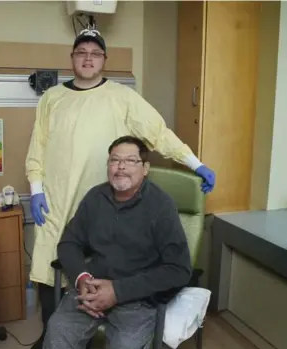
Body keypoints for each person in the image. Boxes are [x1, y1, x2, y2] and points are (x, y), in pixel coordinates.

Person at [25, 28, 215, 348]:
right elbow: (37, 148)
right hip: (58, 201)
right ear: (72, 58)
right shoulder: (51, 98)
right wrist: (35, 188)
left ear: (104, 60)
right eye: (81, 52)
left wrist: (194, 163)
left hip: (107, 196)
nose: (88, 58)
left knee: (114, 267)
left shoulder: (122, 97)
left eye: (95, 53)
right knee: (52, 273)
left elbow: (158, 132)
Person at [43, 136, 192, 349]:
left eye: (131, 160)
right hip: (91, 289)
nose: (121, 167)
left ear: (145, 168)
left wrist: (117, 292)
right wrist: (82, 279)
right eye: (114, 160)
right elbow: (68, 243)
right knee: (57, 336)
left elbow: (179, 269)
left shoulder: (161, 206)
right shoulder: (95, 198)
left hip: (136, 298)